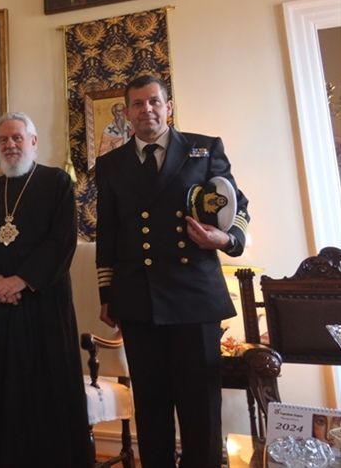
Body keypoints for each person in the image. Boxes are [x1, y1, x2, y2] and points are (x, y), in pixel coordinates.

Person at [95, 75, 251, 467]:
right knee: (151, 406)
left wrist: (226, 239)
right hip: (138, 298)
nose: (146, 109)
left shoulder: (204, 149)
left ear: (168, 106)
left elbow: (239, 207)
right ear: (127, 112)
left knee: (201, 407)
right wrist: (107, 295)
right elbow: (108, 231)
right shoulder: (110, 163)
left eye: (153, 101)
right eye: (137, 104)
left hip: (194, 296)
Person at [0, 112, 91, 467]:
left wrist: (20, 280)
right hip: (3, 310)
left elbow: (60, 241)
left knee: (48, 389)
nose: (10, 145)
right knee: (6, 389)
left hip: (45, 305)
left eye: (17, 138)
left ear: (33, 142)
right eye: (3, 139)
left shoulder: (57, 183)